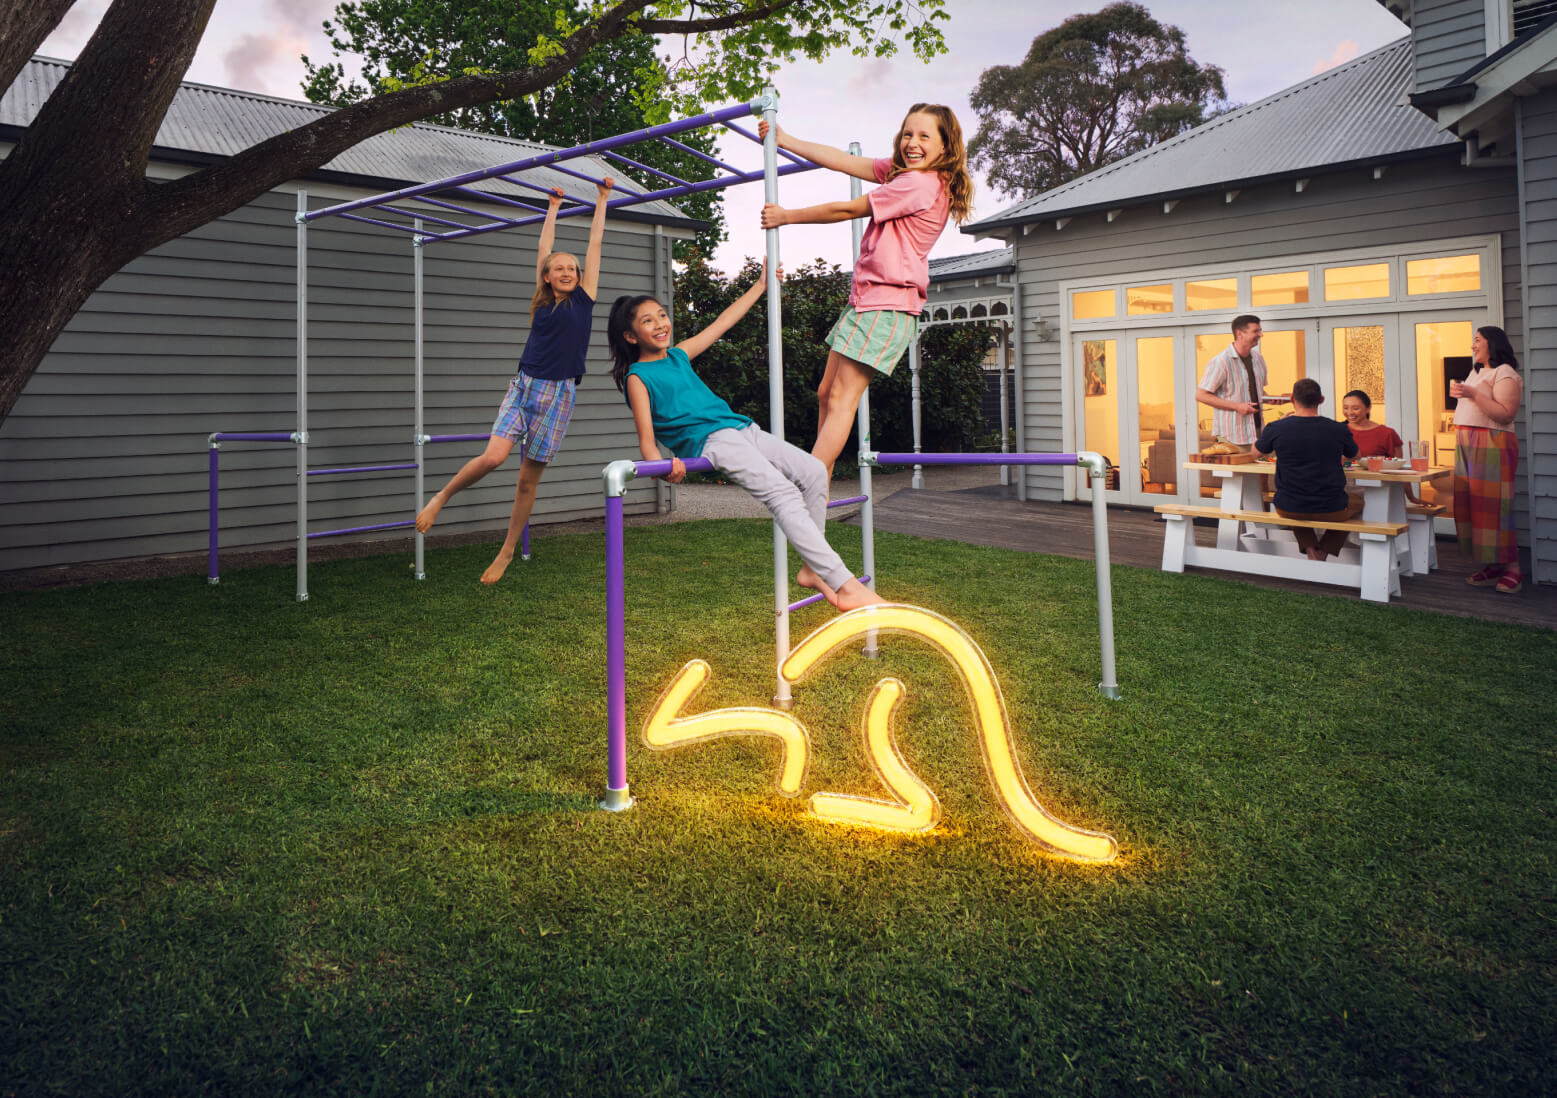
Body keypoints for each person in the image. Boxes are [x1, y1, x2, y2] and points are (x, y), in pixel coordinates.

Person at [608, 270, 883, 613]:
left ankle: (813, 568)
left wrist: (762, 285)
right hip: (713, 441)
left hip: (742, 428)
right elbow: (647, 439)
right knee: (782, 492)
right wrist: (662, 469)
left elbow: (722, 323)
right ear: (631, 336)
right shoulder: (638, 377)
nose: (660, 323)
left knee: (813, 471)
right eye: (648, 321)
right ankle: (845, 584)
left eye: (662, 315)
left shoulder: (678, 356)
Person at [416, 178, 615, 583]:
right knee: (493, 458)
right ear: (546, 276)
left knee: (527, 481)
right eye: (558, 268)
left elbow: (594, 245)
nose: (566, 271)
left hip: (559, 395)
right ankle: (441, 497)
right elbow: (545, 249)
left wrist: (602, 199)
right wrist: (553, 208)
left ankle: (507, 551)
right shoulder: (542, 301)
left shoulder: (585, 298)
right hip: (524, 386)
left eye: (571, 269)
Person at [756, 105, 974, 475]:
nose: (912, 143)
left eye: (924, 136)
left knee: (841, 398)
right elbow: (843, 161)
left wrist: (787, 216)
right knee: (827, 392)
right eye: (908, 134)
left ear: (945, 146)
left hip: (887, 303)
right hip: (868, 300)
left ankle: (809, 482)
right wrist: (785, 140)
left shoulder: (918, 183)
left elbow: (847, 210)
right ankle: (819, 483)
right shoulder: (903, 175)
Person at [1450, 325, 1524, 593]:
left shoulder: (1505, 373)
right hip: (1467, 442)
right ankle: (1494, 563)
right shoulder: (1477, 372)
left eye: (1477, 340)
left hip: (1492, 442)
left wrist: (1472, 394)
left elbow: (1505, 414)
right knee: (1475, 505)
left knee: (1495, 506)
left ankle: (1513, 568)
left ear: (1492, 343)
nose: (1473, 345)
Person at [1254, 378, 1360, 561]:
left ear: (1293, 399)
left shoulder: (1277, 427)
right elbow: (1355, 455)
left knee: (1295, 501)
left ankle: (1311, 550)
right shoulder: (1338, 429)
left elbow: (1254, 453)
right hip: (1331, 506)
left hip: (1288, 505)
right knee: (1357, 502)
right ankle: (1324, 551)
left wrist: (1279, 425)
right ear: (1322, 400)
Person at [1196, 315, 1285, 451]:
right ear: (1240, 334)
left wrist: (1270, 398)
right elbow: (1201, 395)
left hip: (1257, 432)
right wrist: (1236, 406)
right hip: (1232, 436)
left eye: (1260, 330)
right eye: (1256, 331)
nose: (1261, 334)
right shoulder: (1221, 362)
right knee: (1241, 472)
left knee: (1261, 471)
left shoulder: (1258, 359)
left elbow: (1256, 391)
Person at [1340, 390, 1402, 458]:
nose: (1349, 412)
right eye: (1345, 408)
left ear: (1368, 408)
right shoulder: (1337, 431)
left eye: (1355, 408)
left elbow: (1397, 464)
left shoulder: (1387, 434)